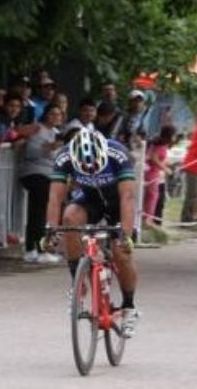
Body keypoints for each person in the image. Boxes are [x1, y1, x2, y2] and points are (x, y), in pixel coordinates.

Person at [45, 129, 140, 338]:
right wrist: (51, 229)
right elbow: (55, 197)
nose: (91, 171)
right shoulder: (64, 156)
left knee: (121, 252)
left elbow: (128, 197)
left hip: (118, 203)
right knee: (69, 219)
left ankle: (129, 306)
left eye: (95, 167)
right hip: (90, 200)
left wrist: (125, 234)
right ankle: (78, 285)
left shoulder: (118, 154)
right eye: (85, 170)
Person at [18, 103, 65, 263]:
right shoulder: (38, 129)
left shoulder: (57, 133)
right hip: (35, 172)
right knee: (37, 212)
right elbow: (31, 152)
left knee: (44, 212)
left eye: (59, 115)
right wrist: (49, 148)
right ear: (46, 115)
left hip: (50, 175)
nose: (56, 117)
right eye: (52, 114)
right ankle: (36, 248)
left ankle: (37, 248)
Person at [142, 125, 176, 227]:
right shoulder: (160, 145)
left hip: (153, 172)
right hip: (151, 173)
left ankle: (147, 217)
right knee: (152, 196)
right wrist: (164, 168)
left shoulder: (160, 144)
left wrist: (167, 164)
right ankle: (148, 219)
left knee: (150, 196)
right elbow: (154, 158)